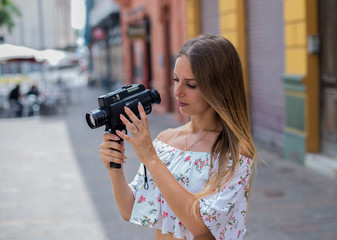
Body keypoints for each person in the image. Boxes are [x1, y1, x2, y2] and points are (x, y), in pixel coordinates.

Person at [99, 34, 257, 240]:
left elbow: (201, 226)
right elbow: (130, 209)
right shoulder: (166, 141)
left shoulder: (236, 150)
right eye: (176, 80)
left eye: (190, 84)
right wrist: (114, 166)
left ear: (219, 87)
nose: (177, 92)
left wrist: (151, 158)